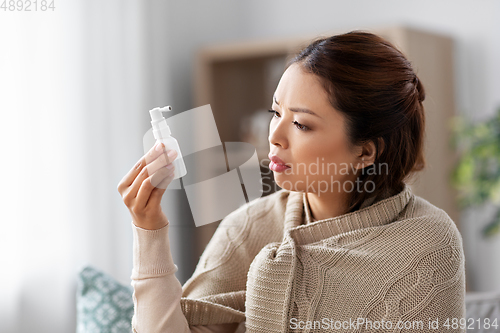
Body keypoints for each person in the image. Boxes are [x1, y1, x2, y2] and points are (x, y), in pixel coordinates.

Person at [117, 31, 466, 333]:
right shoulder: (247, 227)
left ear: (366, 151)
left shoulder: (430, 242)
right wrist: (149, 231)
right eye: (275, 113)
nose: (275, 137)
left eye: (301, 124)